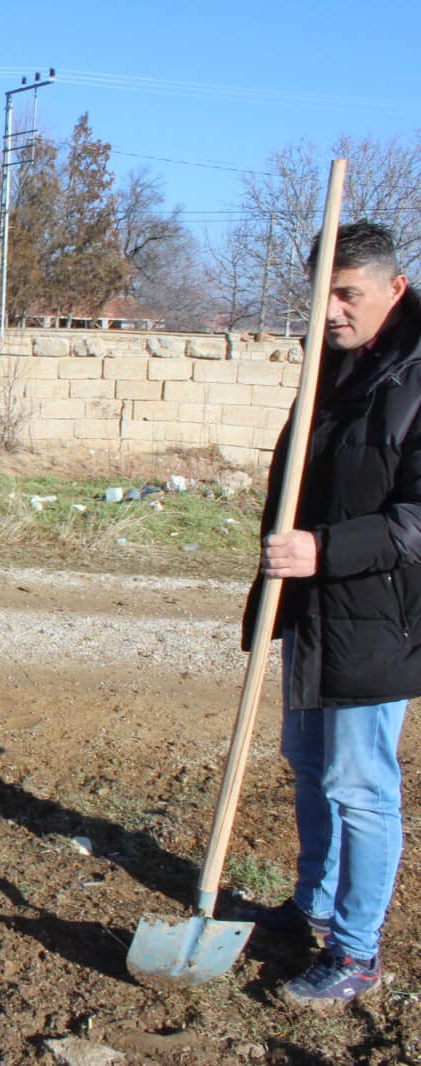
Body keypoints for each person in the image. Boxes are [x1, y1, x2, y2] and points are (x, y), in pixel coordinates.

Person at [239, 220, 420, 1008]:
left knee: (359, 784)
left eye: (347, 295)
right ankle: (313, 902)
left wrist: (323, 549)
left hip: (379, 616)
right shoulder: (334, 365)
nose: (332, 311)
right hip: (313, 608)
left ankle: (355, 952)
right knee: (308, 764)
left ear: (394, 288)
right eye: (320, 295)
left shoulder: (415, 374)